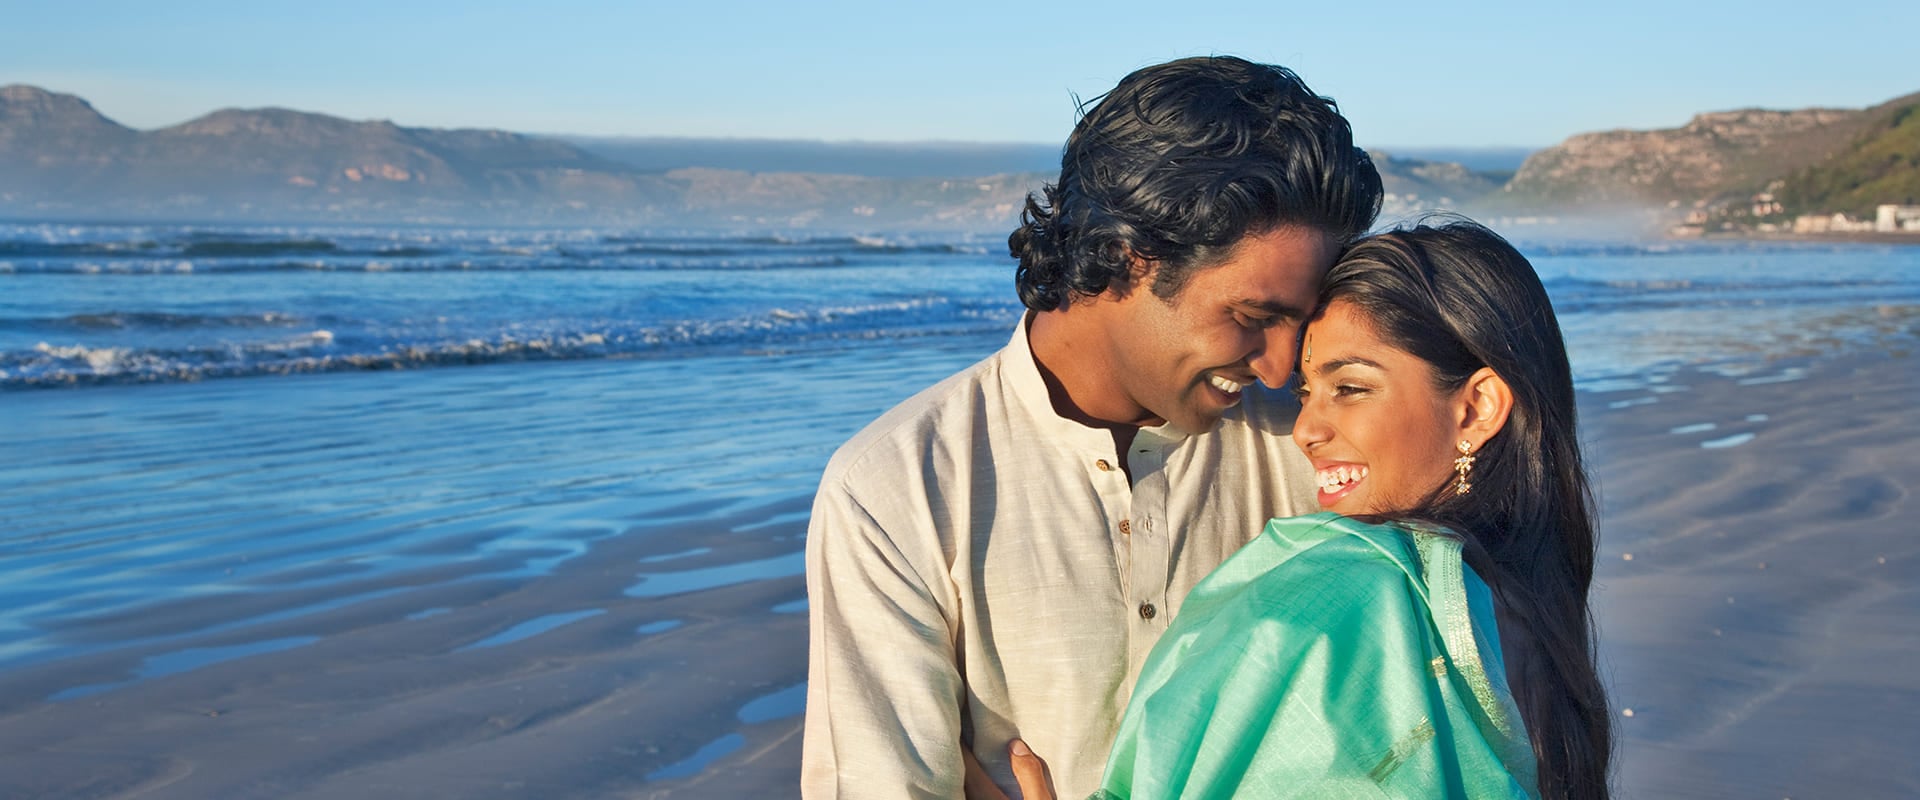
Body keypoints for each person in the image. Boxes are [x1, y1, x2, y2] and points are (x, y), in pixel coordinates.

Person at [801, 56, 1383, 799]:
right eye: (1250, 316)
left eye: (1298, 325)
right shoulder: (899, 487)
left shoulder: (1318, 448)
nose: (1278, 370)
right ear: (1125, 257)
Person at [1055, 221, 1611, 798]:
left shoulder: (1348, 594)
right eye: (1304, 394)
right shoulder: (1524, 608)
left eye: (1350, 388)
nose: (1305, 431)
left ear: (1476, 407)